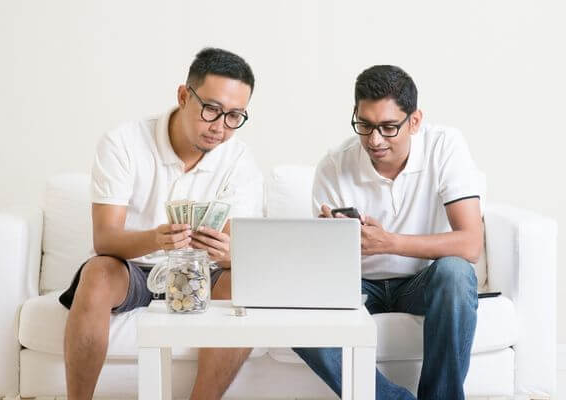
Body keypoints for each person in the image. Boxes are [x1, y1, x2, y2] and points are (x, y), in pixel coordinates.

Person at [58, 47, 263, 400]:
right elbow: (105, 238)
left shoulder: (239, 159)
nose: (220, 127)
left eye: (234, 116)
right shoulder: (123, 143)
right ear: (184, 96)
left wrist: (230, 252)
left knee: (247, 280)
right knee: (97, 273)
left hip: (203, 272)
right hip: (132, 269)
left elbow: (239, 251)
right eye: (211, 109)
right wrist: (156, 239)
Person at [293, 65, 483, 400]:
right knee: (295, 308)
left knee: (456, 273)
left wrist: (390, 243)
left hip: (420, 282)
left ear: (415, 121)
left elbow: (470, 243)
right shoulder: (335, 165)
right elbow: (323, 267)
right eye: (364, 125)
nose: (374, 140)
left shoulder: (445, 146)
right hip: (357, 283)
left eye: (388, 127)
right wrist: (329, 244)